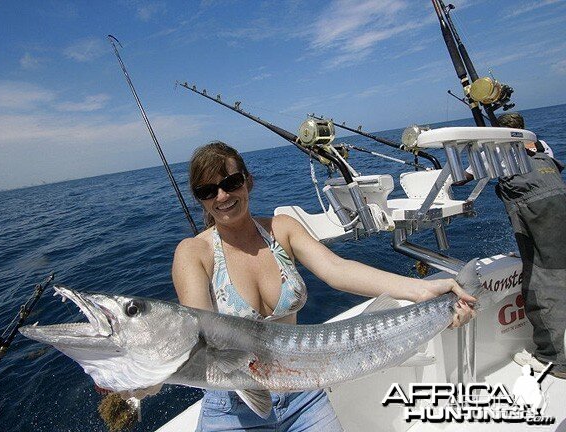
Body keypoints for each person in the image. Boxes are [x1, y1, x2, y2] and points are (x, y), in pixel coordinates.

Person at [172, 141, 476, 431]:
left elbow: (337, 270)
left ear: (248, 181)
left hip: (302, 391)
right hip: (233, 404)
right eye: (208, 190)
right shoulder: (194, 253)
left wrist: (423, 291)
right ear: (199, 198)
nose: (222, 196)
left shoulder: (282, 228)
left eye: (231, 182)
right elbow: (198, 336)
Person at [459, 113, 566, 379]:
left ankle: (554, 360)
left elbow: (463, 178)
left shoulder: (493, 152)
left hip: (535, 211)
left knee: (542, 280)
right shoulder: (541, 146)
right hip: (560, 202)